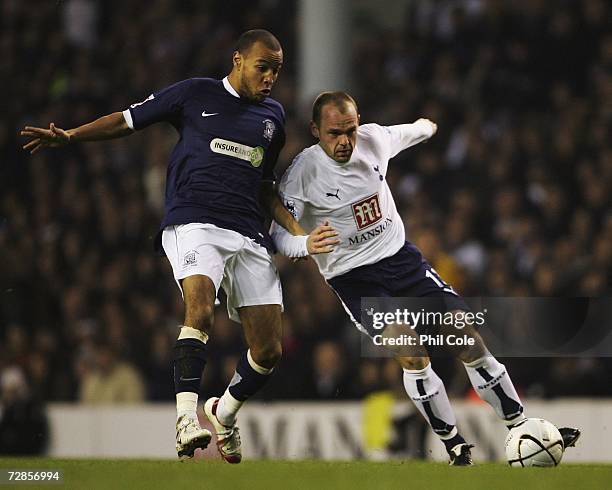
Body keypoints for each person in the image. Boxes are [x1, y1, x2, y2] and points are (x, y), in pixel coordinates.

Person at [20, 30, 338, 463]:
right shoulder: (194, 94)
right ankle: (186, 419)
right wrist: (73, 136)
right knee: (200, 308)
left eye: (277, 70)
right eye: (263, 66)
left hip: (247, 232)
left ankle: (223, 413)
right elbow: (127, 120)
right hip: (194, 221)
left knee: (268, 351)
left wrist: (298, 234)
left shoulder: (274, 118)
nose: (270, 77)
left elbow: (265, 186)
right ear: (238, 59)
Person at [271, 92, 580, 465]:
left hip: (403, 262)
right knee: (412, 350)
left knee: (467, 337)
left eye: (350, 131)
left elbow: (407, 134)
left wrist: (426, 127)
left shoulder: (373, 140)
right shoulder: (302, 174)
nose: (344, 142)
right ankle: (454, 444)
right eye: (335, 133)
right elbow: (278, 236)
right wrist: (306, 244)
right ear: (315, 130)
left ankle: (519, 424)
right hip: (355, 280)